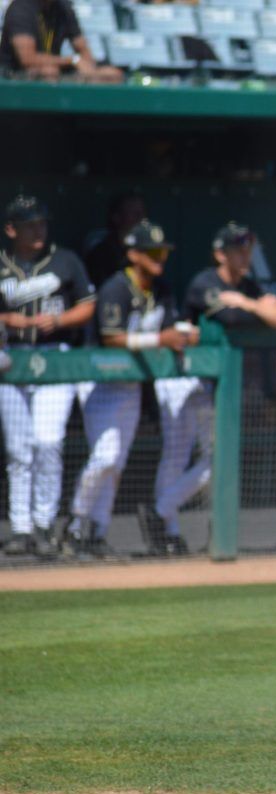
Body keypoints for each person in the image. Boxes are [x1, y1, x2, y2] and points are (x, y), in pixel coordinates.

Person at [136, 223, 276, 556]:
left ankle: (161, 512)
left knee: (212, 461)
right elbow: (231, 320)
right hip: (181, 377)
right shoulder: (205, 282)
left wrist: (249, 304)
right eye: (237, 247)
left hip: (209, 382)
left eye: (247, 247)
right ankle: (168, 530)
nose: (244, 253)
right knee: (177, 457)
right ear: (220, 253)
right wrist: (253, 309)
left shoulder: (246, 286)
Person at [66, 220, 197, 560]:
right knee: (105, 457)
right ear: (133, 254)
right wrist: (161, 340)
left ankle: (96, 533)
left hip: (132, 386)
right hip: (101, 382)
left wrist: (185, 333)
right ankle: (75, 523)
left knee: (117, 463)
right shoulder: (116, 287)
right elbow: (111, 338)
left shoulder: (162, 289)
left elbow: (171, 328)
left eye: (162, 252)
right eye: (152, 252)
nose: (160, 258)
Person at [0, 195, 94, 558]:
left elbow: (88, 306)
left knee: (48, 442)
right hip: (12, 359)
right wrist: (10, 320)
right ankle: (21, 528)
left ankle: (43, 523)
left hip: (57, 358)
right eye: (30, 224)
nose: (39, 229)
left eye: (42, 222)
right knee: (18, 449)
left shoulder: (65, 260)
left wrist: (60, 320)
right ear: (11, 229)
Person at [0, 0, 122, 82]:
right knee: (49, 72)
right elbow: (28, 59)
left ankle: (90, 117)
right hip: (15, 74)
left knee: (112, 74)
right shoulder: (20, 8)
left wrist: (90, 70)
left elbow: (83, 49)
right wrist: (72, 60)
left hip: (56, 68)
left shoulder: (63, 8)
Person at [84, 191, 147, 289]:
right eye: (134, 213)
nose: (140, 218)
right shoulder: (101, 254)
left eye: (142, 213)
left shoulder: (147, 250)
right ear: (116, 217)